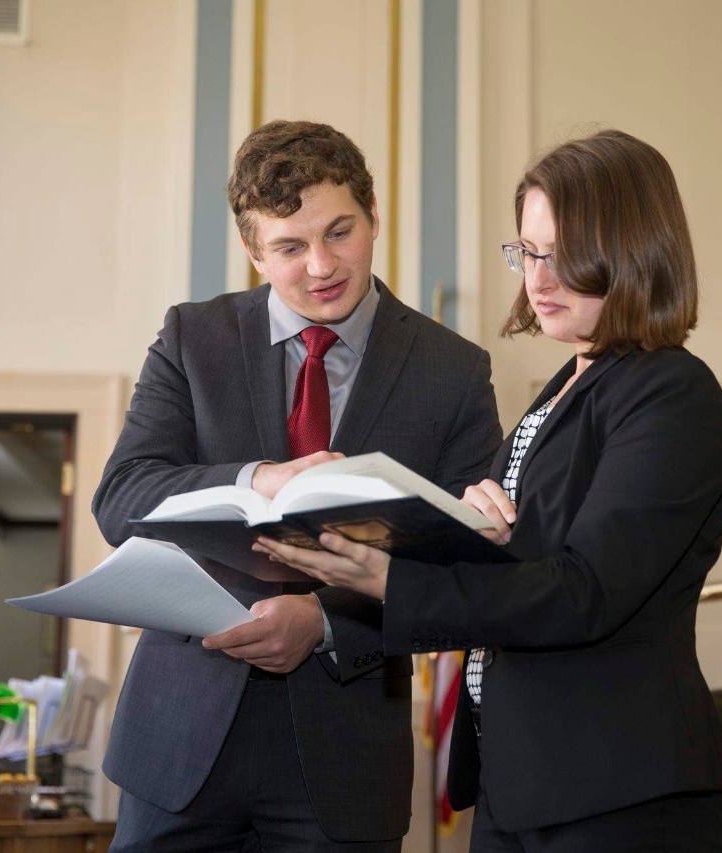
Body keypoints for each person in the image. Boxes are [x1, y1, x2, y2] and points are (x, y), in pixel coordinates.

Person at [254, 129, 722, 852]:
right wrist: (464, 529)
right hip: (524, 783)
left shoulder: (669, 391)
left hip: (618, 793)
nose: (535, 281)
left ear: (635, 247)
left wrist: (392, 579)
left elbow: (585, 592)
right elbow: (528, 566)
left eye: (560, 255)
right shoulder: (563, 389)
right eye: (527, 253)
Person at [92, 119, 502, 851]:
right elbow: (122, 498)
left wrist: (322, 624)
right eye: (288, 246)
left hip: (342, 757)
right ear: (253, 250)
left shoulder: (454, 369)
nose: (320, 265)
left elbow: (465, 570)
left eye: (339, 231)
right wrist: (260, 478)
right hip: (180, 740)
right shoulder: (193, 338)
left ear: (374, 217)